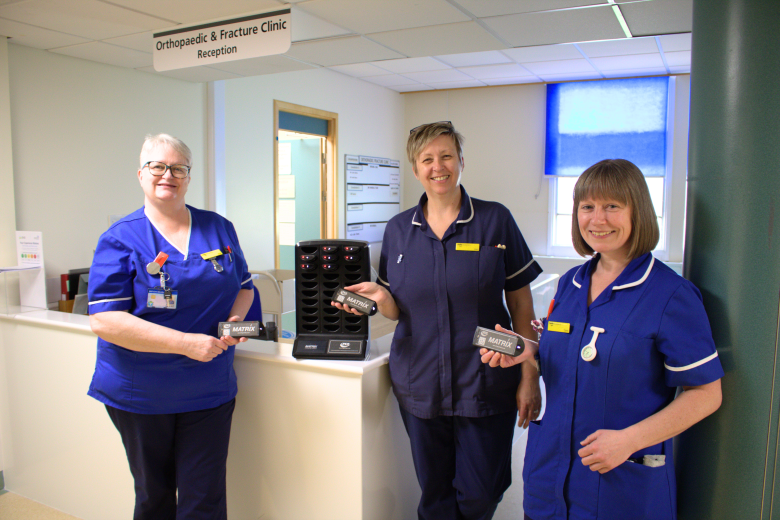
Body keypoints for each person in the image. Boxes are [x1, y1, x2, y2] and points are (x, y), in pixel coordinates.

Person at [482, 159, 723, 520]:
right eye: (587, 207)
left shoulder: (670, 295)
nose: (598, 219)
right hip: (549, 479)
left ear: (637, 211)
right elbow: (568, 350)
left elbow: (706, 393)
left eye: (612, 206)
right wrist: (528, 351)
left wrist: (630, 440)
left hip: (621, 486)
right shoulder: (571, 283)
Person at [333, 121, 543, 519]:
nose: (438, 166)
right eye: (427, 159)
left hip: (485, 380)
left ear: (461, 161)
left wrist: (529, 374)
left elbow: (520, 301)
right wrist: (381, 298)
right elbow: (398, 307)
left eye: (446, 156)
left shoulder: (495, 220)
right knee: (435, 495)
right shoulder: (398, 230)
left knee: (481, 493)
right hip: (420, 382)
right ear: (415, 169)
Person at [87, 134, 254, 519]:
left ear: (189, 176)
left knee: (205, 497)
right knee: (154, 496)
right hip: (142, 391)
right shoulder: (119, 238)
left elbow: (244, 288)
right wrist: (183, 343)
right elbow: (104, 320)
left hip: (209, 387)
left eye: (178, 168)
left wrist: (236, 320)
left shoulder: (218, 227)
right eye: (158, 166)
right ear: (141, 174)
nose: (168, 175)